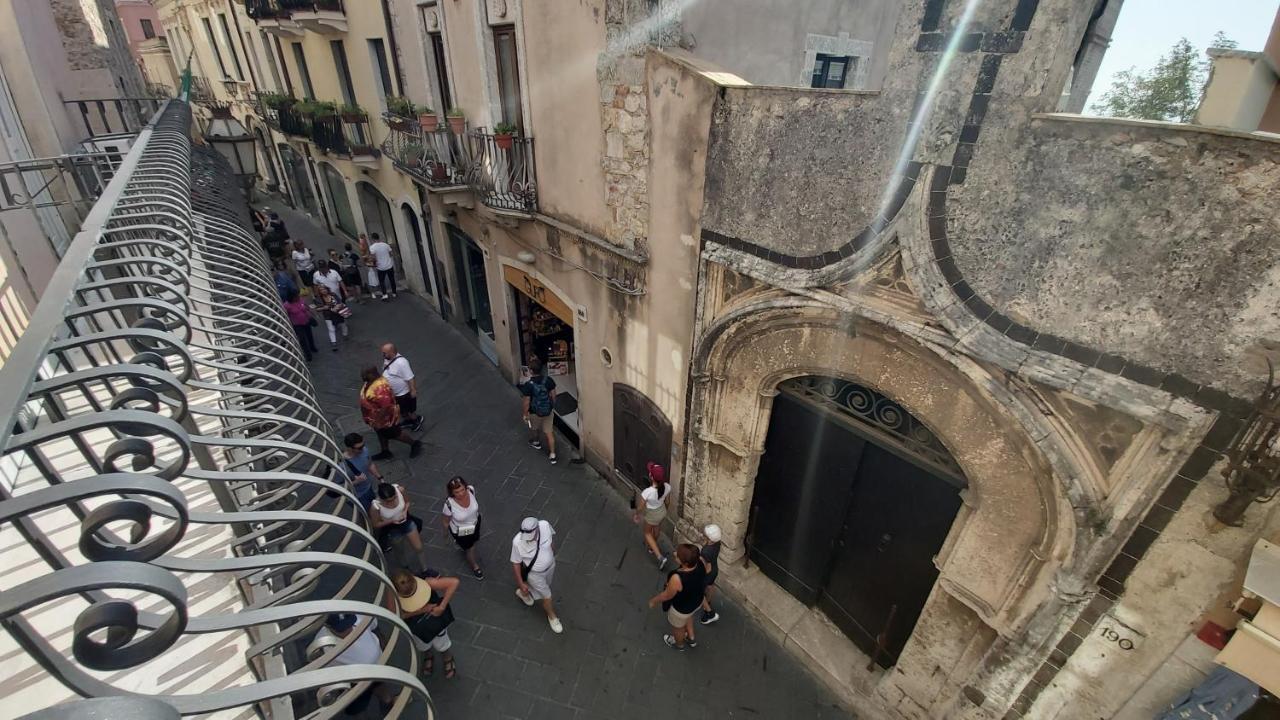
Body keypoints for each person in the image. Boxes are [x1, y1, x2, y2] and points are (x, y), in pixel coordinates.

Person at [392, 569, 459, 679]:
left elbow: (454, 582)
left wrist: (442, 607)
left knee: (441, 641)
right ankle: (428, 654)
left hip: (435, 621)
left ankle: (447, 656)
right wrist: (421, 611)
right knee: (422, 644)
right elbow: (395, 615)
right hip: (416, 626)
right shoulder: (392, 594)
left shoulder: (426, 581)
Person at [320, 613, 395, 710]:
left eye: (350, 623)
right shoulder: (323, 644)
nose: (348, 630)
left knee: (382, 690)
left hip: (378, 668)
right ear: (328, 627)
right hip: (355, 682)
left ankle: (387, 703)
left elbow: (375, 628)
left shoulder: (362, 617)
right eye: (342, 629)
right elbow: (326, 672)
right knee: (355, 708)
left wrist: (385, 650)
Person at [648, 543, 709, 651]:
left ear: (685, 563)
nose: (674, 554)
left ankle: (679, 644)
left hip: (681, 609)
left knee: (678, 628)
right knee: (689, 616)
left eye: (677, 556)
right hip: (697, 601)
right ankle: (691, 637)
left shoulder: (677, 578)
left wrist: (653, 601)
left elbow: (667, 595)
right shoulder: (701, 562)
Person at [510, 516, 562, 633]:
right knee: (547, 595)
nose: (527, 540)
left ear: (537, 529)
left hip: (550, 567)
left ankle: (524, 594)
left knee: (546, 585)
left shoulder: (544, 525)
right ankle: (552, 616)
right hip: (535, 574)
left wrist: (552, 554)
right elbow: (516, 563)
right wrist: (520, 582)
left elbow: (551, 540)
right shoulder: (517, 542)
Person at [359, 366, 423, 460]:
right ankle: (385, 451)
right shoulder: (370, 381)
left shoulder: (381, 388)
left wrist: (378, 421)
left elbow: (386, 406)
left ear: (372, 374)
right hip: (375, 419)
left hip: (385, 419)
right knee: (381, 433)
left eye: (364, 375)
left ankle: (414, 444)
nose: (362, 377)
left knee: (395, 434)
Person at [370, 482, 425, 570]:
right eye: (388, 501)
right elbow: (376, 524)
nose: (392, 502)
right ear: (382, 499)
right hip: (392, 528)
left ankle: (425, 569)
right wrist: (392, 521)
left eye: (394, 498)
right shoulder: (375, 507)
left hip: (406, 521)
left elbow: (407, 502)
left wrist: (405, 511)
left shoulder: (400, 490)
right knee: (399, 551)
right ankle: (406, 569)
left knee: (419, 547)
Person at [441, 476, 483, 579]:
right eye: (457, 492)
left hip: (475, 522)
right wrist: (445, 535)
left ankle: (461, 544)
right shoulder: (449, 504)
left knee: (474, 540)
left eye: (462, 490)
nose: (461, 494)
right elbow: (445, 521)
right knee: (470, 548)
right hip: (462, 530)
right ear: (452, 493)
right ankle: (475, 567)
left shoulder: (471, 490)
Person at [633, 461, 672, 569]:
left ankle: (660, 557)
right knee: (657, 527)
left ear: (651, 477)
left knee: (647, 533)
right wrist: (664, 511)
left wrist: (636, 514)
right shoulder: (667, 486)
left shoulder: (647, 492)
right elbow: (668, 502)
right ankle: (651, 547)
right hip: (662, 511)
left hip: (652, 514)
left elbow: (641, 507)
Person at [520, 357, 557, 464]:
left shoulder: (528, 385)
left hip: (534, 412)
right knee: (549, 433)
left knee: (534, 429)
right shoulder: (549, 380)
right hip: (548, 411)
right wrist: (551, 406)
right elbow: (554, 395)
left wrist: (525, 414)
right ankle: (553, 455)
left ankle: (536, 442)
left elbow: (526, 402)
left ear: (531, 371)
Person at [381, 343, 423, 432]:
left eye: (385, 353)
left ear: (391, 352)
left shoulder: (402, 363)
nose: (383, 355)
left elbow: (410, 378)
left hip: (404, 393)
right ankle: (408, 421)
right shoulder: (387, 359)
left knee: (410, 410)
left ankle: (416, 421)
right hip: (395, 394)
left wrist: (413, 390)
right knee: (402, 411)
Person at [342, 432, 382, 509]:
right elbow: (338, 487)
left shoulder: (364, 450)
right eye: (359, 448)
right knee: (367, 513)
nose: (363, 449)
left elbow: (370, 464)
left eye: (363, 445)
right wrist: (356, 482)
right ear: (350, 448)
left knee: (375, 508)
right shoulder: (342, 465)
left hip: (368, 487)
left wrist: (379, 477)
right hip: (357, 495)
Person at [282, 289, 317, 362]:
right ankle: (308, 354)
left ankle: (312, 347)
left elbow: (307, 308)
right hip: (297, 325)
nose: (298, 297)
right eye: (296, 296)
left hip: (306, 321)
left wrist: (313, 315)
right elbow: (286, 316)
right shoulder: (287, 305)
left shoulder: (301, 300)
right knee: (302, 339)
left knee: (309, 335)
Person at [312, 285, 351, 350]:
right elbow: (317, 309)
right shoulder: (318, 299)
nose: (323, 291)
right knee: (331, 329)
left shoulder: (333, 295)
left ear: (327, 289)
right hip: (328, 315)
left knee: (343, 324)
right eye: (321, 290)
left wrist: (337, 307)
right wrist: (323, 308)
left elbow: (340, 302)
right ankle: (333, 342)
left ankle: (345, 334)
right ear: (319, 292)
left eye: (324, 289)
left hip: (338, 313)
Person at [699, 524, 722, 625]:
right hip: (715, 570)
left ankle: (709, 613)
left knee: (698, 592)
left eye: (706, 535)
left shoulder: (706, 551)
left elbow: (706, 568)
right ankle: (708, 602)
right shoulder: (717, 544)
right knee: (710, 586)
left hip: (708, 573)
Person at [368, 233, 397, 300]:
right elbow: (391, 254)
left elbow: (373, 258)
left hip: (380, 267)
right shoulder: (386, 245)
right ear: (379, 237)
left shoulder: (372, 247)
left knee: (382, 281)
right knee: (392, 279)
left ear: (372, 239)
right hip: (389, 265)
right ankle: (394, 293)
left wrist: (373, 262)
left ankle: (385, 294)